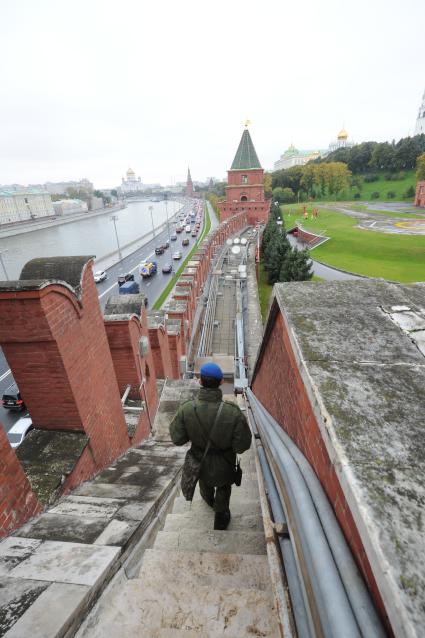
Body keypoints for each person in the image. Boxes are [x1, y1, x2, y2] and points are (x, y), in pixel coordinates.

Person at [169, 362, 252, 530]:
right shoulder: (233, 412)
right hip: (225, 463)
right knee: (223, 487)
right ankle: (221, 517)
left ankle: (208, 500)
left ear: (200, 381)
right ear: (221, 382)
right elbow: (241, 446)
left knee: (205, 483)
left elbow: (177, 439)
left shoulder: (186, 409)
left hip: (200, 462)